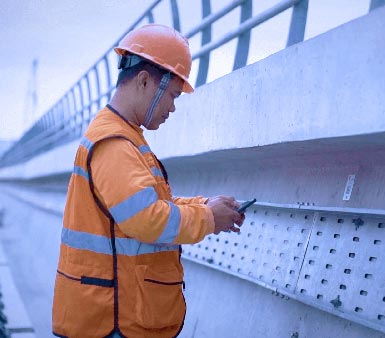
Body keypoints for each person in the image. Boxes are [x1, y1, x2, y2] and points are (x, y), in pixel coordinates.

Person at [52, 24, 245, 338]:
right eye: (171, 94)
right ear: (144, 81)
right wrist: (208, 218)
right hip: (111, 320)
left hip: (112, 312)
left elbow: (148, 206)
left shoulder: (124, 138)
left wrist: (204, 204)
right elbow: (147, 220)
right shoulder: (114, 143)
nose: (173, 106)